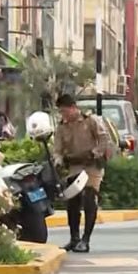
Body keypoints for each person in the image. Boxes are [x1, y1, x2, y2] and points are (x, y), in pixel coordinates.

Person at [51, 94, 111, 253]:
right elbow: (57, 149)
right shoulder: (62, 127)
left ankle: (86, 240)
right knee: (72, 203)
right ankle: (74, 238)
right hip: (74, 167)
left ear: (73, 107)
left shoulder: (90, 121)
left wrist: (95, 152)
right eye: (61, 112)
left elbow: (104, 140)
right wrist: (57, 160)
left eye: (65, 111)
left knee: (90, 199)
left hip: (92, 165)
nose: (63, 115)